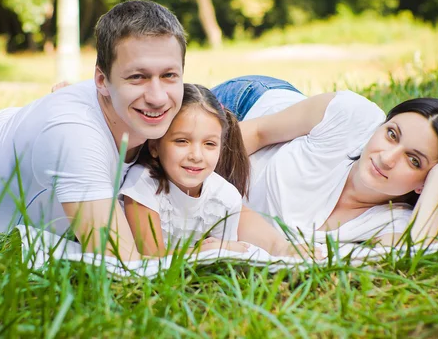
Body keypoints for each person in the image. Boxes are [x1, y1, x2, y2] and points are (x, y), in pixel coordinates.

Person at [0, 0, 188, 261]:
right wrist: (205, 251)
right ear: (101, 80)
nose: (158, 97)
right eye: (138, 77)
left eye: (169, 75)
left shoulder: (171, 104)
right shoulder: (75, 137)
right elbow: (125, 264)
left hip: (31, 128)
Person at [212, 75, 438, 246]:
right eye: (392, 134)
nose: (388, 158)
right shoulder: (349, 114)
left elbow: (413, 251)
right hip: (244, 107)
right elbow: (257, 133)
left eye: (414, 161)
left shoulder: (394, 220)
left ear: (424, 184)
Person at [120, 83, 312, 257]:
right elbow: (150, 254)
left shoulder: (224, 196)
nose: (196, 155)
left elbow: (222, 259)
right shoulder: (143, 182)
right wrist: (205, 250)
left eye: (209, 144)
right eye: (182, 141)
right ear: (154, 146)